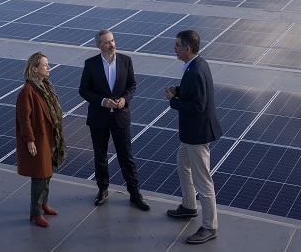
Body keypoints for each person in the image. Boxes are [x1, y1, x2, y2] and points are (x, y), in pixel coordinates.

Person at [163, 29, 224, 245]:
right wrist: (179, 91)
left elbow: (198, 106)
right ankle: (189, 206)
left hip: (197, 135)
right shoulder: (196, 64)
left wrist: (173, 101)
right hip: (191, 134)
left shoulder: (196, 71)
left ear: (187, 48)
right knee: (182, 162)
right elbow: (195, 92)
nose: (175, 48)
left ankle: (209, 226)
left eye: (177, 45)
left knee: (203, 180)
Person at [79, 29, 150, 211]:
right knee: (100, 156)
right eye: (107, 42)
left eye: (112, 40)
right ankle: (103, 189)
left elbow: (132, 85)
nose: (111, 44)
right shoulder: (91, 64)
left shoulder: (126, 61)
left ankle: (135, 193)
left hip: (120, 117)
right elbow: (84, 89)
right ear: (99, 46)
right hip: (99, 118)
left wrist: (125, 99)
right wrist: (102, 101)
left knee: (126, 156)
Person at [15, 52, 67, 228]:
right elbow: (24, 120)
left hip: (49, 137)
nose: (48, 67)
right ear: (34, 69)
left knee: (47, 173)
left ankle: (44, 204)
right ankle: (35, 213)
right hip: (38, 140)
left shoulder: (45, 86)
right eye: (45, 65)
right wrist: (30, 141)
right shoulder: (27, 91)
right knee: (39, 176)